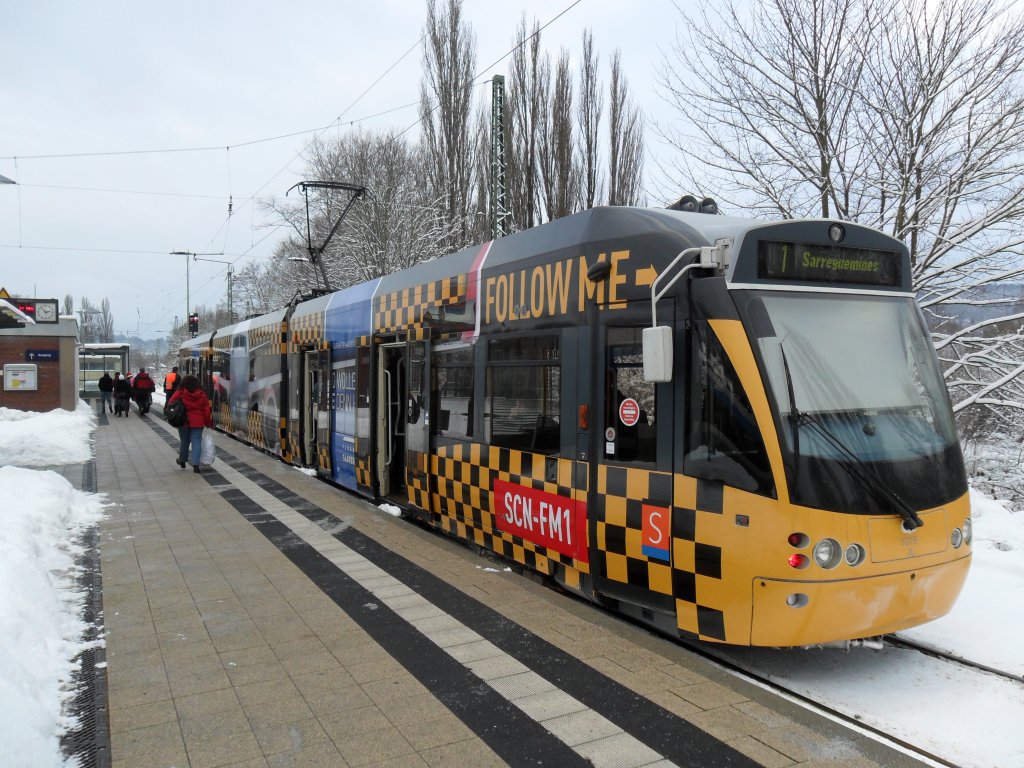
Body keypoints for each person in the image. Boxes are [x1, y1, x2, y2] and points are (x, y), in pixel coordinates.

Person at [168, 374, 213, 473]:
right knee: (196, 443)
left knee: (184, 441)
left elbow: (170, 403)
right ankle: (196, 465)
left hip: (183, 421)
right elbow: (206, 411)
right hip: (198, 422)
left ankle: (182, 460)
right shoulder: (201, 394)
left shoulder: (180, 392)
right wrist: (208, 423)